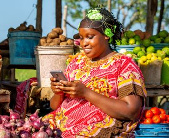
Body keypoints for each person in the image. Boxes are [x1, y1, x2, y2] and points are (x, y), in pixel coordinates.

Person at [42, 7, 147, 138]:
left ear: (107, 34)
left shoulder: (124, 65)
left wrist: (86, 93)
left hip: (96, 128)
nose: (84, 43)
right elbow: (54, 106)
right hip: (61, 124)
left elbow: (131, 111)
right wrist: (59, 92)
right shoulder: (76, 62)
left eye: (90, 37)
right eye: (81, 38)